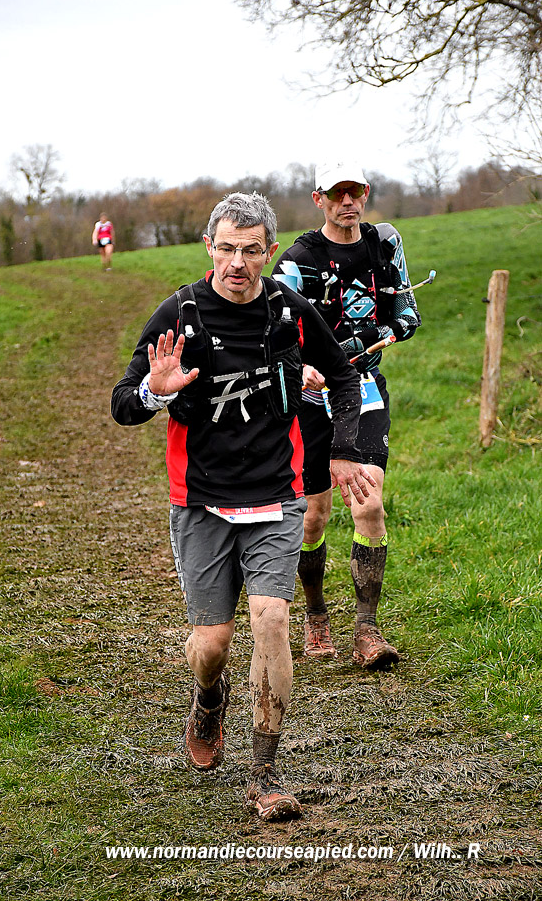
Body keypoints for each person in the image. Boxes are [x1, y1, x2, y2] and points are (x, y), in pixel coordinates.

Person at [111, 192, 374, 821]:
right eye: (226, 248)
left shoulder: (288, 310)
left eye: (251, 251)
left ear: (270, 252)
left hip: (275, 493)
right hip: (201, 498)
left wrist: (342, 452)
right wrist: (155, 391)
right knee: (211, 645)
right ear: (209, 247)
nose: (237, 262)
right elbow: (122, 403)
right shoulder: (179, 313)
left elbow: (342, 375)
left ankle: (264, 775)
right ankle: (209, 698)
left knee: (270, 619)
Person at [272, 161, 421, 669]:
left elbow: (408, 316)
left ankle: (366, 629)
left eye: (354, 191)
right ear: (319, 199)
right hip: (313, 399)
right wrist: (302, 367)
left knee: (369, 505)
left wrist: (362, 344)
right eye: (336, 193)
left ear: (366, 192)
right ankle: (315, 613)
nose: (347, 202)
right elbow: (273, 334)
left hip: (365, 389)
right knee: (313, 517)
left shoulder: (385, 244)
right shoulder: (298, 261)